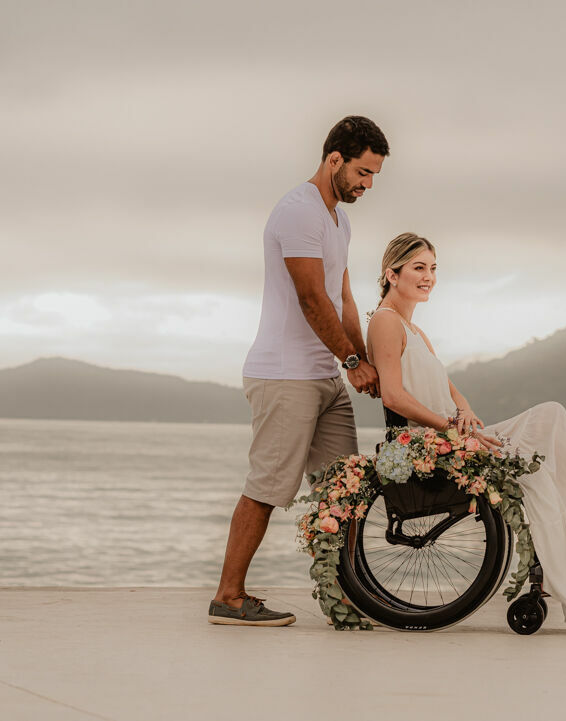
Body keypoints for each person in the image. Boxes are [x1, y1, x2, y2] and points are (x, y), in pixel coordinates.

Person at [365, 233, 566, 627]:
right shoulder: (384, 322)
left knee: (550, 420)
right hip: (428, 442)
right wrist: (450, 426)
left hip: (453, 436)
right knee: (545, 426)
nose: (428, 276)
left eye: (433, 269)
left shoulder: (416, 332)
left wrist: (463, 415)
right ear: (391, 274)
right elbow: (394, 396)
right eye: (418, 268)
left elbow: (453, 392)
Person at [208, 116, 389, 626]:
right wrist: (353, 361)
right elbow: (311, 299)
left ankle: (344, 596)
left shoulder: (340, 220)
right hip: (285, 374)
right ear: (334, 159)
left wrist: (363, 359)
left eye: (374, 175)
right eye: (363, 171)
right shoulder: (298, 212)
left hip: (325, 377)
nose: (367, 184)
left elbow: (343, 298)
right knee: (269, 487)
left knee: (343, 489)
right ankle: (229, 597)